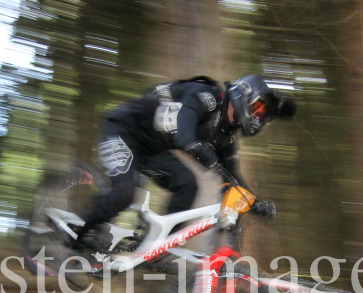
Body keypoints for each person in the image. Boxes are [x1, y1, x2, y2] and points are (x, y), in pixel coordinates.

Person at [76, 74, 296, 250]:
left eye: (264, 116)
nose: (259, 118)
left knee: (187, 183)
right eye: (258, 108)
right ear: (244, 93)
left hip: (152, 151)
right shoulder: (206, 96)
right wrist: (200, 148)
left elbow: (232, 179)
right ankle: (78, 234)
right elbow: (185, 133)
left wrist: (254, 203)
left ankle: (155, 248)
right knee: (124, 192)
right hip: (123, 131)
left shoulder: (226, 135)